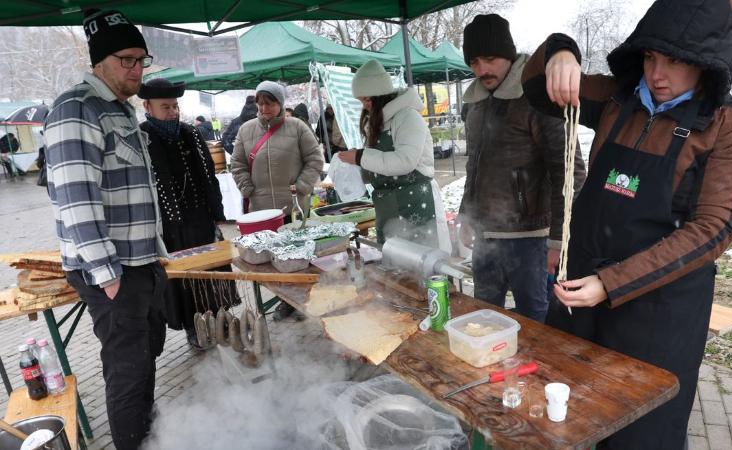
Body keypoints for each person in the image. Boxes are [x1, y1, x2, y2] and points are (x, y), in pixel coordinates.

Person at [520, 0, 732, 447]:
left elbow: (714, 229)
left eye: (675, 61)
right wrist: (560, 52)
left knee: (640, 432)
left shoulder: (727, 126)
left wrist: (611, 283)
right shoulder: (617, 99)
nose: (657, 74)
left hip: (658, 315)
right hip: (581, 299)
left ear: (707, 65)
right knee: (566, 417)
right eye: (650, 57)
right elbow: (535, 86)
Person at [44, 9, 167, 449]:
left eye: (141, 59)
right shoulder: (76, 109)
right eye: (125, 60)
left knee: (146, 358)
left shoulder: (120, 109)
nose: (136, 69)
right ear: (100, 61)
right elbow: (77, 200)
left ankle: (149, 436)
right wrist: (109, 277)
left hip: (142, 261)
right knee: (128, 370)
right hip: (113, 270)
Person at [458, 14, 585, 323]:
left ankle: (537, 372)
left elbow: (570, 173)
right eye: (474, 62)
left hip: (532, 238)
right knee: (484, 317)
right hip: (486, 234)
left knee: (536, 321)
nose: (482, 70)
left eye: (490, 59)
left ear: (509, 55)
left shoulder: (538, 98)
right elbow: (474, 165)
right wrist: (466, 214)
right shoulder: (474, 103)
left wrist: (559, 241)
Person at [138, 78, 236, 349]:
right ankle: (194, 328)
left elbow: (209, 175)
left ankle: (221, 317)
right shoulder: (141, 137)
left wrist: (217, 213)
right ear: (148, 106)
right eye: (165, 107)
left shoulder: (190, 133)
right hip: (170, 226)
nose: (172, 112)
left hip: (201, 219)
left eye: (175, 106)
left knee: (214, 271)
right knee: (184, 279)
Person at [231, 81, 323, 320]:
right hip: (261, 210)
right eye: (260, 103)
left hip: (292, 207)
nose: (263, 108)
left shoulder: (298, 127)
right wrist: (247, 188)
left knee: (297, 257)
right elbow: (238, 164)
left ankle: (304, 298)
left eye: (269, 103)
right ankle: (285, 300)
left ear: (280, 103)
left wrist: (302, 186)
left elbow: (315, 160)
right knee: (270, 259)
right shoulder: (246, 130)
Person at [338, 60, 451, 252]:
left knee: (423, 265)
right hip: (388, 207)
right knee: (395, 269)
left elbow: (405, 161)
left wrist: (359, 157)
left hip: (416, 205)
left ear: (381, 95)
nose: (365, 107)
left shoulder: (408, 117)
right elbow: (380, 164)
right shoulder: (377, 122)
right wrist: (354, 171)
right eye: (361, 101)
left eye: (367, 100)